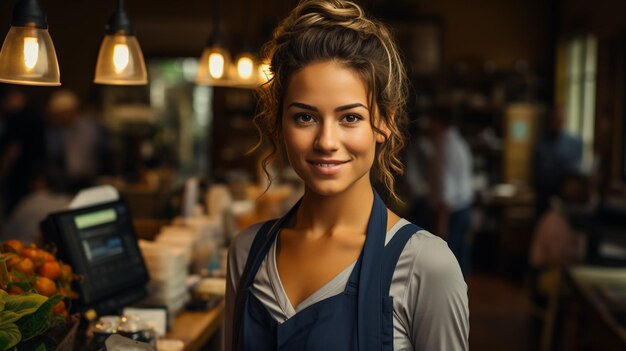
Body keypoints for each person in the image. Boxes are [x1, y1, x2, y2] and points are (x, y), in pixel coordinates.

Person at [224, 1, 469, 350]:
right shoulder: (246, 252)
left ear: (383, 122)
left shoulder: (426, 265)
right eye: (304, 117)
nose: (326, 141)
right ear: (280, 124)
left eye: (350, 118)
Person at [426, 106, 474, 278]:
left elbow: (446, 192)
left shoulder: (444, 146)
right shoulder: (459, 142)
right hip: (463, 210)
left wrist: (441, 224)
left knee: (448, 267)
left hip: (450, 213)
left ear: (438, 122)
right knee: (459, 265)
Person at [44, 89, 108, 193]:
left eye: (61, 114)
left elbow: (102, 152)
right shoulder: (55, 132)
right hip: (66, 182)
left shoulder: (91, 127)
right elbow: (53, 156)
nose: (59, 118)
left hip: (90, 179)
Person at [533, 106, 583, 219]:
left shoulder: (574, 142)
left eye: (560, 118)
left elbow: (575, 171)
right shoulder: (541, 143)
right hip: (544, 195)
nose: (557, 121)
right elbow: (538, 172)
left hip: (566, 199)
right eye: (555, 118)